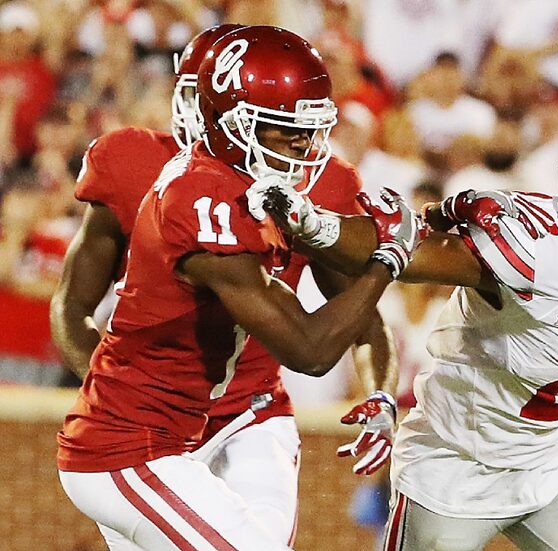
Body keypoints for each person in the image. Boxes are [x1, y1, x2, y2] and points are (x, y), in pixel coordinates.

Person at [265, 105, 558, 550]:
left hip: (552, 463)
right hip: (454, 467)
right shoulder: (533, 249)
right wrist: (314, 225)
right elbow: (405, 254)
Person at [54, 25, 421, 551]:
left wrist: (380, 393)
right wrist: (390, 256)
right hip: (140, 438)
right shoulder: (198, 195)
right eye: (285, 125)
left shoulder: (264, 183)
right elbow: (311, 349)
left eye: (310, 126)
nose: (305, 143)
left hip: (244, 411)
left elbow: (356, 320)